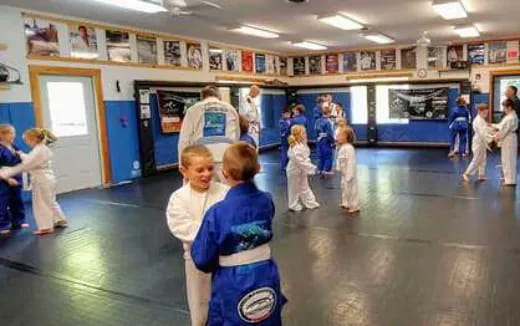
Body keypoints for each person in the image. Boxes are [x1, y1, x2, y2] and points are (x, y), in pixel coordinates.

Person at [191, 143, 287, 325]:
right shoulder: (267, 201)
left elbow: (202, 259)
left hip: (232, 280)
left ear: (224, 172)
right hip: (266, 273)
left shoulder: (217, 213)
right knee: (267, 318)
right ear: (257, 169)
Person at [166, 145, 229, 326]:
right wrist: (215, 231)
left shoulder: (224, 192)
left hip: (225, 259)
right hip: (195, 260)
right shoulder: (179, 198)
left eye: (210, 169)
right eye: (199, 170)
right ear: (183, 171)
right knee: (200, 307)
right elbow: (181, 227)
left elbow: (233, 219)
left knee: (226, 302)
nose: (206, 174)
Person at [0, 128, 67, 235]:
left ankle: (45, 227)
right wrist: (21, 154)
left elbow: (25, 165)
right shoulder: (42, 148)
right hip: (47, 178)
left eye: (26, 140)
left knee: (41, 203)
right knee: (50, 201)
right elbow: (31, 160)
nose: (26, 143)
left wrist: (5, 173)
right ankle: (59, 220)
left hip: (41, 180)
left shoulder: (38, 150)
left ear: (33, 139)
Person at [178, 86, 240, 181]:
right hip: (226, 156)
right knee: (227, 191)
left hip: (202, 159)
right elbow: (237, 136)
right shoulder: (230, 108)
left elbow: (184, 140)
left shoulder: (193, 109)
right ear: (219, 96)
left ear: (202, 97)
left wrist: (183, 165)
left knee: (202, 191)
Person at [0, 124, 27, 234]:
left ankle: (18, 221)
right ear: (2, 135)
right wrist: (7, 179)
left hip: (17, 177)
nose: (13, 135)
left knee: (17, 200)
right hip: (3, 179)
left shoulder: (14, 146)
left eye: (14, 133)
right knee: (3, 202)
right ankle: (3, 225)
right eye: (10, 133)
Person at [286, 125, 320, 212]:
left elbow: (305, 159)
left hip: (301, 169)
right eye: (303, 133)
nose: (305, 135)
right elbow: (300, 162)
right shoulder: (295, 148)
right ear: (298, 135)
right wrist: (313, 168)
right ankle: (293, 205)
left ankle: (310, 202)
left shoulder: (301, 144)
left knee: (304, 186)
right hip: (294, 170)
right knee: (294, 188)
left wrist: (310, 167)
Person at [462, 104, 493, 182]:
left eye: (487, 113)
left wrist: (493, 130)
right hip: (478, 142)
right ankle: (466, 173)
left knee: (483, 158)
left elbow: (486, 129)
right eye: (484, 112)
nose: (486, 114)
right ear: (479, 111)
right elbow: (483, 132)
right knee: (476, 159)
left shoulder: (482, 119)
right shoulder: (478, 120)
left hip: (482, 141)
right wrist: (492, 138)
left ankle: (481, 175)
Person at [492, 99, 518, 186]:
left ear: (509, 107)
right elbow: (501, 126)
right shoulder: (510, 116)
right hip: (509, 138)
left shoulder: (511, 118)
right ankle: (509, 179)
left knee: (508, 160)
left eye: (504, 107)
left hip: (508, 139)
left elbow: (504, 130)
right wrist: (492, 125)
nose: (503, 109)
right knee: (507, 159)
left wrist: (496, 137)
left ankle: (510, 181)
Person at [336, 127, 360, 214]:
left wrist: (349, 175)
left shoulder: (349, 148)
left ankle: (355, 205)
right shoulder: (342, 147)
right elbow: (340, 159)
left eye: (339, 136)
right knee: (344, 188)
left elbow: (350, 162)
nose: (337, 137)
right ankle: (346, 202)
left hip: (349, 173)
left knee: (351, 189)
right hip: (344, 172)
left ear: (346, 137)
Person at [314, 106, 335, 175]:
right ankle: (326, 170)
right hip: (326, 141)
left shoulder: (317, 121)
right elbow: (329, 134)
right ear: (328, 113)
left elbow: (316, 131)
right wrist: (333, 142)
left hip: (319, 140)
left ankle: (320, 169)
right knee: (328, 156)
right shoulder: (327, 122)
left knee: (320, 156)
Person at [240, 85, 262, 149]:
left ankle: (255, 156)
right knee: (251, 144)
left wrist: (258, 126)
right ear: (253, 92)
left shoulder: (251, 100)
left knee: (256, 143)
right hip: (249, 124)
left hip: (254, 125)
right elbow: (244, 113)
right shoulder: (246, 100)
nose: (257, 96)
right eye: (257, 94)